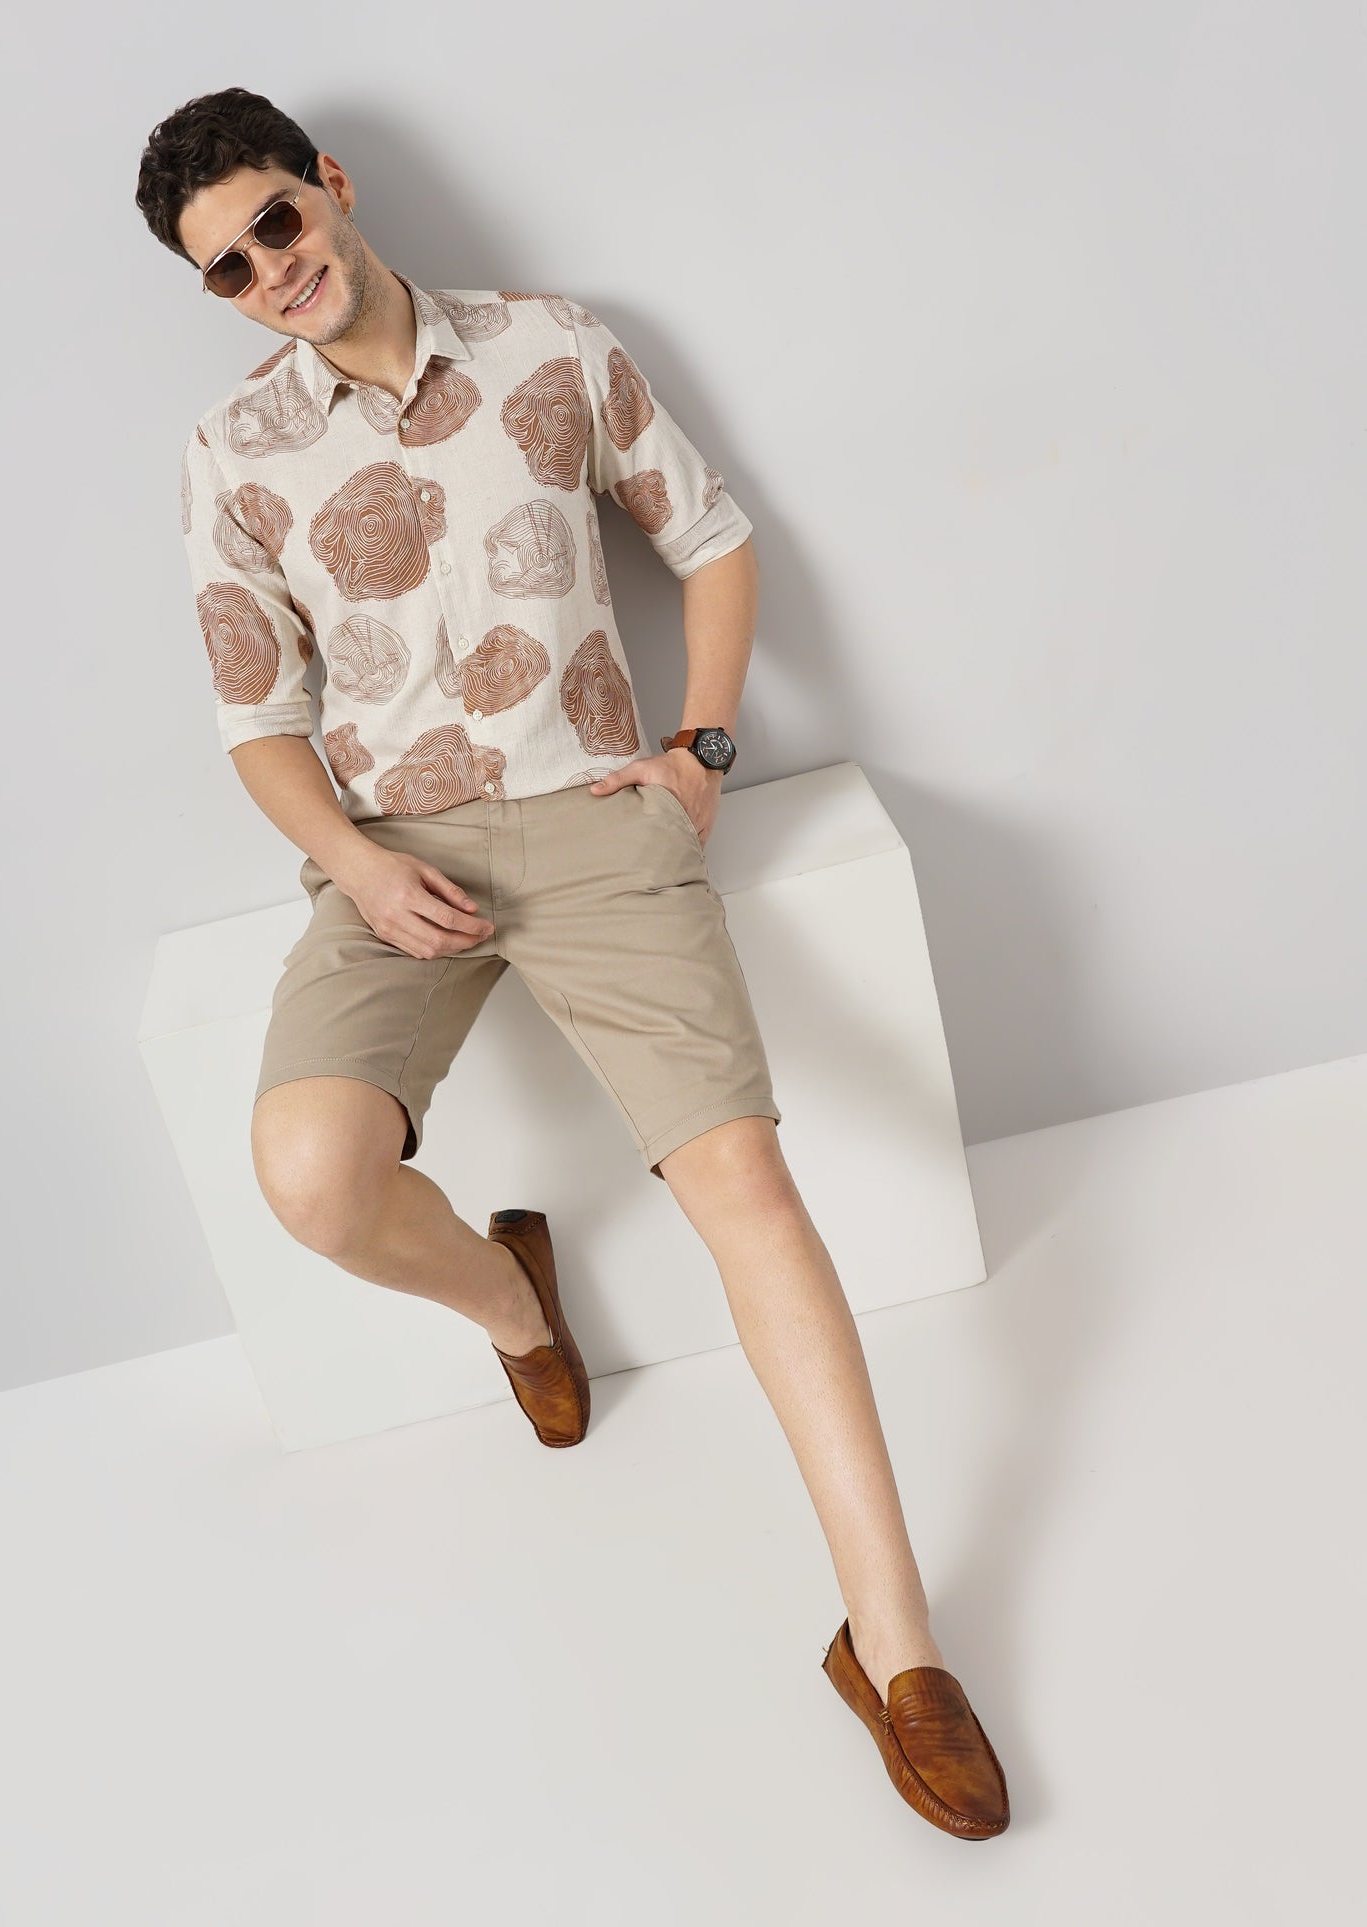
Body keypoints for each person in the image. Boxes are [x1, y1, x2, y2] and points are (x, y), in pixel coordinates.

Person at [136, 86, 1009, 1839]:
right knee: (307, 1179)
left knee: (745, 1183)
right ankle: (515, 1305)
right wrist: (355, 865)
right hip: (393, 857)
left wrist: (700, 755)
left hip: (598, 820)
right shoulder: (231, 455)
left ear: (329, 186)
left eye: (276, 224)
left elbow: (713, 539)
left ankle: (895, 1649)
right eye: (226, 269)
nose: (269, 273)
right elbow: (256, 719)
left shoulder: (551, 345)